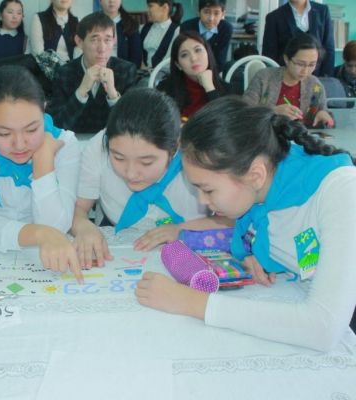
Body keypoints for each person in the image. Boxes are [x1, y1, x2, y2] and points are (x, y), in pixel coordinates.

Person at [135, 96, 356, 352]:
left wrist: (194, 303)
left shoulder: (342, 191)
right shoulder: (260, 192)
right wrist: (257, 253)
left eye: (208, 190)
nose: (203, 201)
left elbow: (323, 328)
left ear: (255, 175)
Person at [71, 88, 228, 268]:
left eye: (146, 162)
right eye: (118, 158)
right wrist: (83, 226)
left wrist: (182, 231)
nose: (131, 173)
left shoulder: (201, 157)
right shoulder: (98, 147)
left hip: (191, 251)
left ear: (174, 148)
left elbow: (234, 220)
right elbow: (79, 209)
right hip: (122, 250)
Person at [0, 65, 83, 282]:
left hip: (44, 262)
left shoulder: (64, 144)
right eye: (4, 133)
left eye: (32, 130)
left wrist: (43, 162)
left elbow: (57, 228)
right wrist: (39, 234)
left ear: (44, 110)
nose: (20, 144)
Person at [48, 12, 137, 134]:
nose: (102, 48)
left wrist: (113, 95)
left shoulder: (126, 70)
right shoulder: (64, 73)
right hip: (74, 141)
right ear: (79, 41)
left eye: (107, 40)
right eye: (94, 40)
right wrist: (81, 92)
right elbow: (56, 126)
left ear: (114, 41)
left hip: (112, 142)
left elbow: (133, 127)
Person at [243, 32, 333, 129]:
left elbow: (329, 120)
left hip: (300, 136)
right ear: (286, 59)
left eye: (312, 65)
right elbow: (243, 112)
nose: (305, 71)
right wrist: (273, 111)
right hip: (264, 134)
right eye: (300, 64)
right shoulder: (264, 78)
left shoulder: (315, 85)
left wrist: (325, 117)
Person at [157, 31, 228, 121]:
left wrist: (210, 88)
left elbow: (224, 121)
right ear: (178, 65)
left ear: (208, 53)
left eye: (198, 50)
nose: (193, 58)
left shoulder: (227, 89)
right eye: (184, 55)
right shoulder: (165, 90)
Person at [262, 0, 334, 77]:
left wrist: (326, 77)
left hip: (317, 75)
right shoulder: (274, 16)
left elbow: (328, 47)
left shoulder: (322, 11)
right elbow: (269, 53)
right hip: (286, 76)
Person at [180, 0, 232, 69]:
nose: (211, 18)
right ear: (198, 12)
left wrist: (208, 73)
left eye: (216, 13)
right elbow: (184, 57)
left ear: (222, 14)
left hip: (213, 71)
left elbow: (220, 61)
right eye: (206, 12)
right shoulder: (186, 27)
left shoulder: (226, 28)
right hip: (190, 70)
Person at [140, 0, 183, 69]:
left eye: (150, 6)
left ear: (165, 7)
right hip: (144, 72)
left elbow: (170, 61)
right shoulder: (144, 28)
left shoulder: (177, 31)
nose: (147, 10)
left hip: (165, 73)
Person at [100, 0, 141, 68]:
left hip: (123, 71)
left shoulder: (131, 24)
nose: (111, 1)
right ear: (100, 1)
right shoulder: (92, 23)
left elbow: (136, 57)